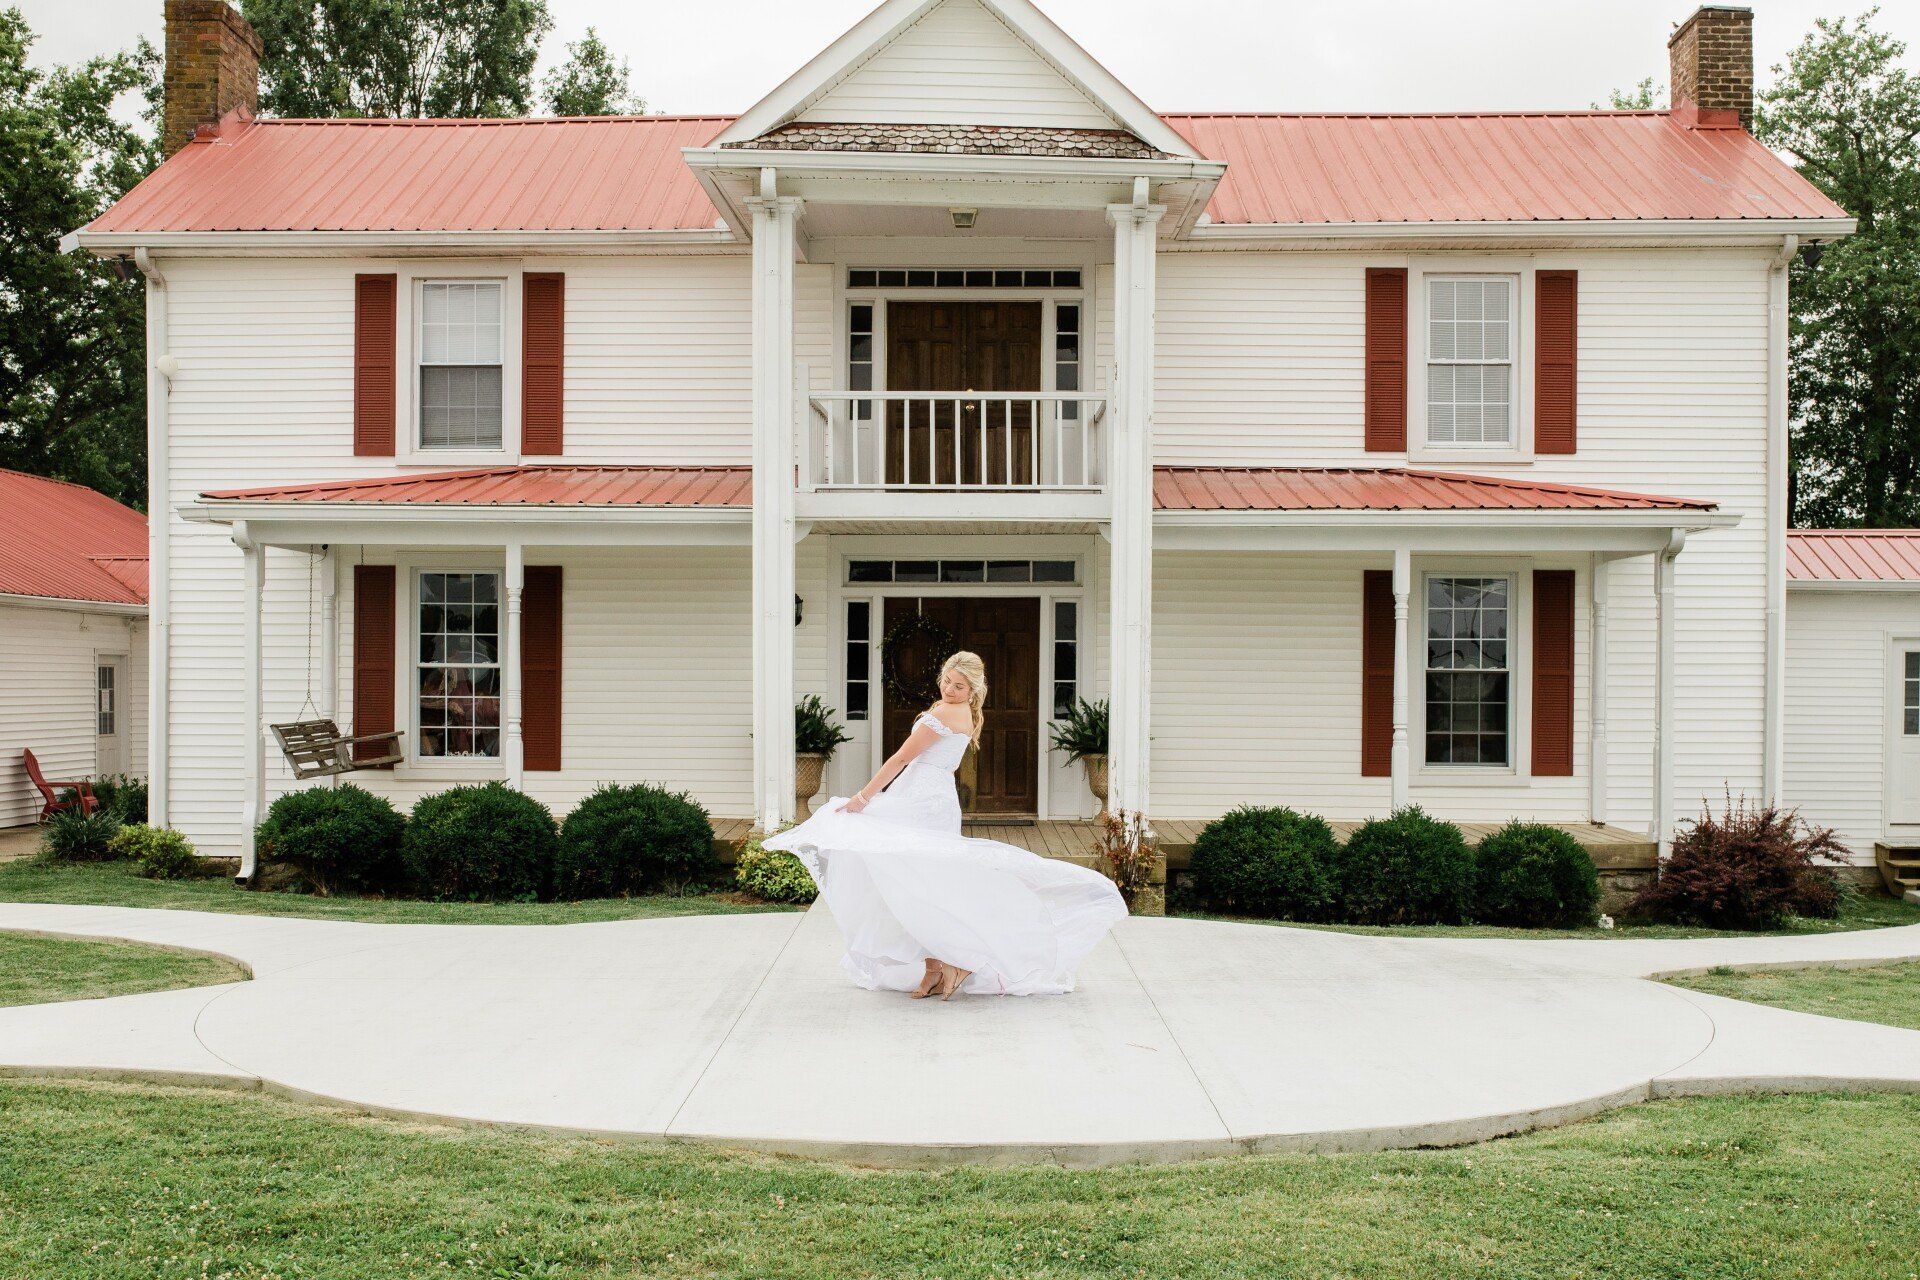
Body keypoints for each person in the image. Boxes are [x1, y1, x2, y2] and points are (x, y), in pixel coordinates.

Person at [764, 651, 1128, 999]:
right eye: (946, 681)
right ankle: (936, 964)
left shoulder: (947, 713)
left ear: (973, 691)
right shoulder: (961, 712)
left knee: (910, 875)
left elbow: (901, 758)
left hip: (922, 801)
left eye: (959, 686)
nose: (949, 690)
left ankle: (951, 959)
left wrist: (864, 797)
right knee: (923, 882)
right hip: (931, 797)